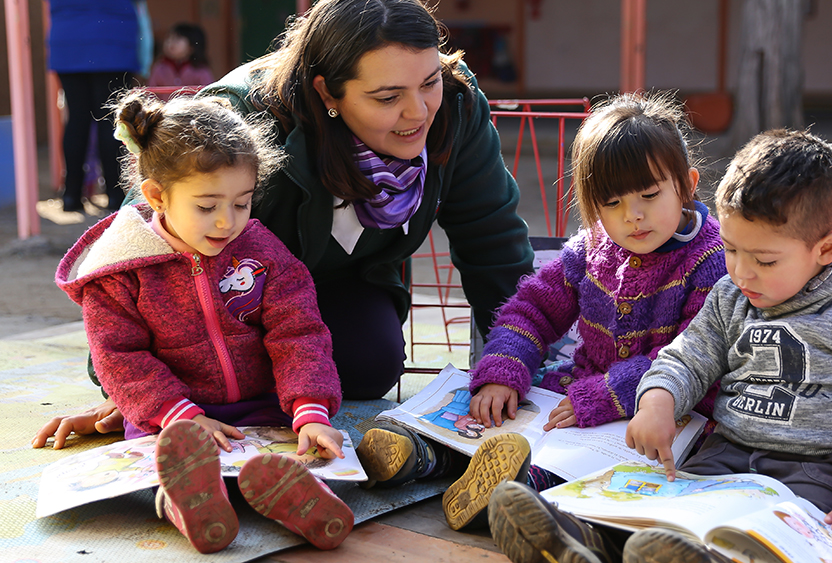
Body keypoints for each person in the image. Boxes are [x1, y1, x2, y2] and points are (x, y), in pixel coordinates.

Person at [33, 0, 533, 445]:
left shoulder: (457, 109)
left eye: (429, 83)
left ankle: (269, 395)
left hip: (340, 285)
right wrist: (124, 391)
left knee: (367, 362)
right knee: (203, 367)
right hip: (220, 287)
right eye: (387, 97)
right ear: (328, 93)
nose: (418, 111)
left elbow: (494, 243)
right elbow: (132, 248)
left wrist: (513, 359)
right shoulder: (240, 119)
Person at [486, 129, 832, 563]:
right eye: (730, 249)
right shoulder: (732, 293)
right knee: (663, 510)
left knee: (773, 534)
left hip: (818, 470)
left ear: (825, 250)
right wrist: (657, 400)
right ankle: (582, 540)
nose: (742, 272)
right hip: (724, 453)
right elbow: (687, 357)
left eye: (764, 260)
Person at [355, 91, 727, 531]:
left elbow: (698, 359)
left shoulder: (711, 260)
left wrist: (608, 394)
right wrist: (502, 371)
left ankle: (512, 492)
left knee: (570, 465)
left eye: (649, 194)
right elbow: (531, 309)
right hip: (575, 394)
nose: (633, 216)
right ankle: (422, 455)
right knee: (497, 414)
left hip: (661, 412)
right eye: (611, 203)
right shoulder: (591, 250)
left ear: (686, 184)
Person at [42, 90, 354, 554]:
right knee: (167, 467)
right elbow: (119, 357)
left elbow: (299, 330)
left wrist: (310, 410)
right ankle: (180, 504)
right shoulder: (122, 269)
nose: (227, 222)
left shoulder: (262, 252)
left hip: (260, 407)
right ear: (156, 196)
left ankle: (309, 500)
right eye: (207, 206)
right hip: (169, 419)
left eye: (242, 203)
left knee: (297, 455)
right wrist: (178, 415)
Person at [47, 0, 140, 211]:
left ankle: (71, 194)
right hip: (113, 37)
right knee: (111, 120)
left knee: (77, 118)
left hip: (68, 39)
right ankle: (115, 195)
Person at [147, 22, 216, 87]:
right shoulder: (159, 68)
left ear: (191, 46)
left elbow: (209, 95)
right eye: (168, 38)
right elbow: (151, 93)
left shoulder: (201, 71)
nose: (170, 42)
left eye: (177, 39)